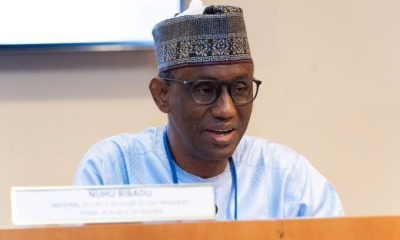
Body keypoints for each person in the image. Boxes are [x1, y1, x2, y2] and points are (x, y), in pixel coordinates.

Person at [74, 1, 344, 220]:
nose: (226, 110)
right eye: (204, 89)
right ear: (162, 95)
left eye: (240, 88)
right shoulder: (114, 170)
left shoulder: (287, 177)